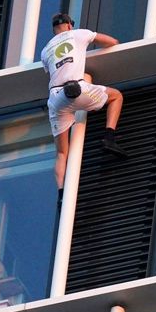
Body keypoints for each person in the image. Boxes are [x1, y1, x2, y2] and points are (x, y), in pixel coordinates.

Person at [41, 12, 126, 190]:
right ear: (69, 25)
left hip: (56, 98)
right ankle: (109, 137)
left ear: (54, 30)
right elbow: (111, 42)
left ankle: (61, 193)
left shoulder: (45, 50)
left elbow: (53, 70)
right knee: (116, 96)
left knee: (62, 153)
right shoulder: (78, 34)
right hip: (78, 90)